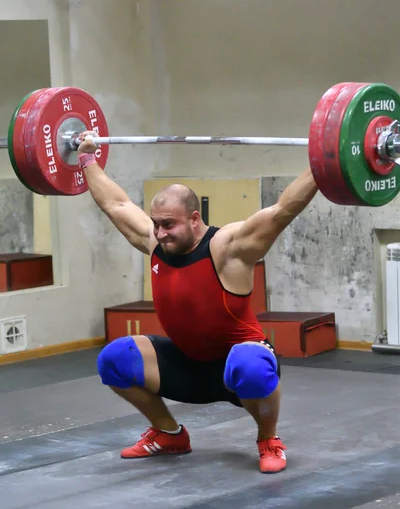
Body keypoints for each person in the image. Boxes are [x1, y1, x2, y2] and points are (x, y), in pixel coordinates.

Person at [78, 132, 319, 473]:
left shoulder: (227, 248)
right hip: (187, 364)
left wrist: (325, 164)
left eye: (169, 224)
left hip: (239, 365)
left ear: (194, 218)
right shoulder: (155, 243)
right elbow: (115, 204)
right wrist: (87, 158)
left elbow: (282, 211)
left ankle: (268, 439)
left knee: (249, 363)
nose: (160, 232)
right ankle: (169, 434)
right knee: (115, 359)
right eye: (156, 224)